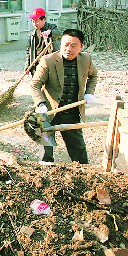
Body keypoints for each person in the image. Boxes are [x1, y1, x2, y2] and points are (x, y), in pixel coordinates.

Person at [29, 29, 98, 164]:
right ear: (60, 44)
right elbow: (35, 84)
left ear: (81, 47)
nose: (69, 49)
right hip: (47, 112)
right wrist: (40, 104)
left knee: (78, 149)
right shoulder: (48, 60)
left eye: (74, 45)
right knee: (46, 151)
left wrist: (89, 92)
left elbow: (94, 75)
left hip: (71, 111)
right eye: (65, 44)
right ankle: (45, 175)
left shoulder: (86, 59)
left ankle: (84, 173)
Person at [25, 8, 61, 75]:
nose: (35, 23)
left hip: (49, 63)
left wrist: (50, 33)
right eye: (33, 21)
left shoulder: (52, 27)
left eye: (37, 21)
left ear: (44, 20)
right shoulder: (32, 34)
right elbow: (29, 51)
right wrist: (27, 65)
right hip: (36, 64)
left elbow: (58, 33)